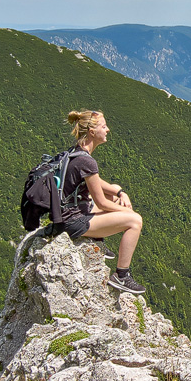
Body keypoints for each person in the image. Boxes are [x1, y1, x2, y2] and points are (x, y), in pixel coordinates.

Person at [57, 109, 146, 295]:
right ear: (92, 132)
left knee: (113, 196)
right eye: (103, 126)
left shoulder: (76, 152)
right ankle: (122, 275)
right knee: (135, 222)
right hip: (74, 222)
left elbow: (96, 183)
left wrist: (119, 191)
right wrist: (128, 213)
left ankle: (97, 238)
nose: (108, 130)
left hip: (67, 213)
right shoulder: (87, 161)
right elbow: (102, 203)